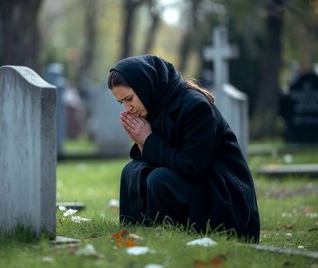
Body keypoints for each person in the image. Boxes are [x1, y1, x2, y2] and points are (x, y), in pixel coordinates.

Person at [107, 54, 260, 242]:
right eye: (121, 102)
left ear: (144, 85)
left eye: (129, 99)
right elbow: (161, 156)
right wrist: (141, 142)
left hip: (223, 197)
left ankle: (169, 238)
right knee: (131, 171)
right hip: (195, 185)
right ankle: (138, 235)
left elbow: (193, 166)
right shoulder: (155, 105)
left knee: (159, 179)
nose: (127, 109)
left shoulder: (196, 107)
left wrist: (147, 139)